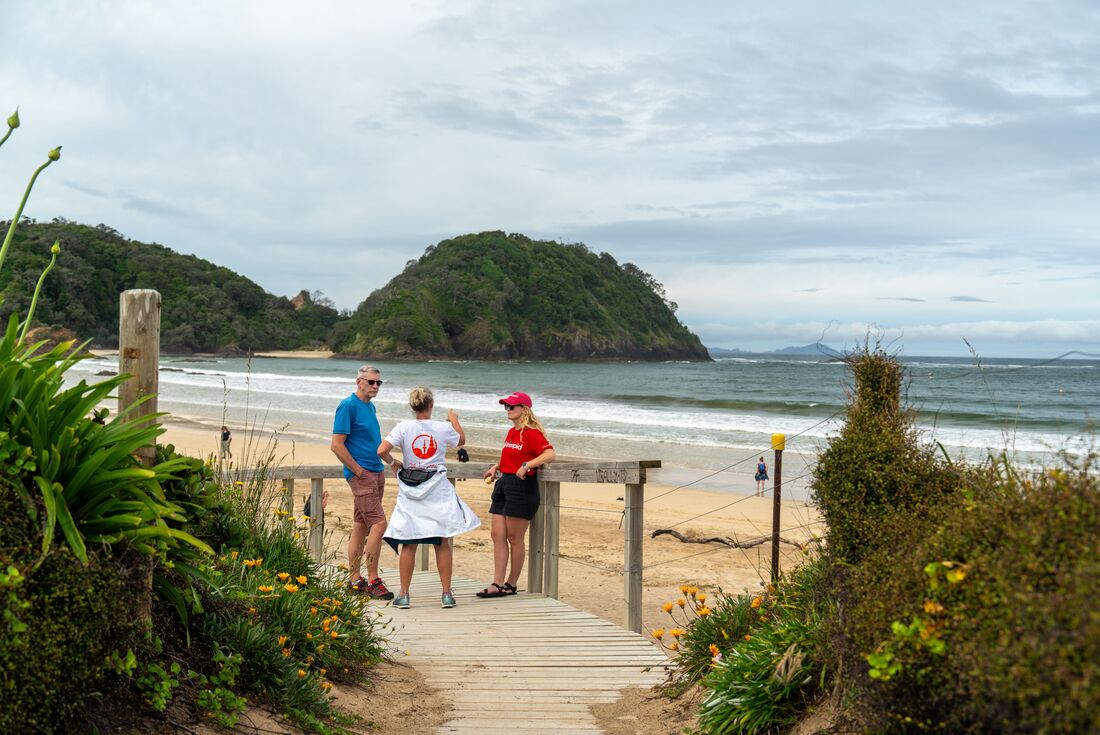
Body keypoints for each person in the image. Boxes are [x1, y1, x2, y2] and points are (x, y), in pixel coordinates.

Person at [377, 386, 480, 609]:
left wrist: (394, 463)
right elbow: (460, 440)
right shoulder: (443, 428)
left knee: (409, 543)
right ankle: (446, 594)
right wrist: (453, 419)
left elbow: (381, 450)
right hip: (437, 489)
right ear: (431, 405)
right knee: (442, 542)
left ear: (413, 407)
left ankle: (404, 594)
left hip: (411, 489)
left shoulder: (403, 427)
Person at [477, 391, 555, 599]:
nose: (508, 410)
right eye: (506, 407)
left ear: (525, 409)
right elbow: (511, 457)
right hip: (504, 484)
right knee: (497, 535)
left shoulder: (531, 432)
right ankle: (496, 583)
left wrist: (527, 465)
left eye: (512, 406)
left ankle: (510, 584)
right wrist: (496, 467)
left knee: (515, 537)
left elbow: (549, 454)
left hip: (522, 487)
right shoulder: (512, 432)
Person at [330, 365, 394, 600]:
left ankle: (355, 579)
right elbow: (336, 444)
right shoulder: (348, 406)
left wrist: (391, 462)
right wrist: (357, 471)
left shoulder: (370, 406)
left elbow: (371, 442)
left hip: (376, 470)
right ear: (359, 382)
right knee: (379, 524)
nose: (375, 386)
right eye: (371, 382)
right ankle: (374, 580)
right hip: (362, 474)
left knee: (361, 524)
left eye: (379, 383)